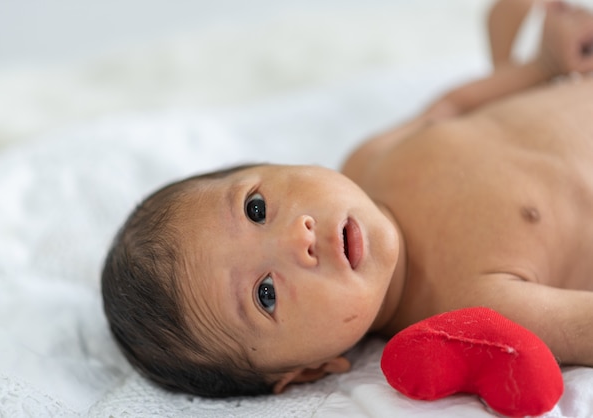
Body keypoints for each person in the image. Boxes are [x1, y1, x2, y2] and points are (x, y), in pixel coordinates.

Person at [101, 0, 593, 398]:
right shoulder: (468, 304)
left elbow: (452, 107)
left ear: (277, 166)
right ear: (312, 369)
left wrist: (541, 67)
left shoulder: (368, 160)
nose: (300, 238)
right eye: (265, 294)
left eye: (256, 209)